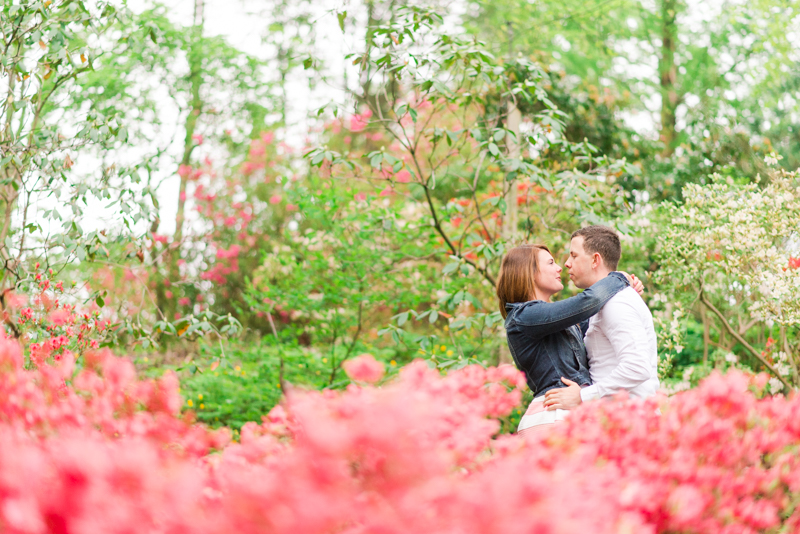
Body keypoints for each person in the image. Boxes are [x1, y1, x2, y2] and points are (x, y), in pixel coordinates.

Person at [497, 243, 643, 435]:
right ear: (529, 272)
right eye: (550, 263)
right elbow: (588, 302)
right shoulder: (524, 316)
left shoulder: (555, 322)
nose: (559, 267)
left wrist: (623, 291)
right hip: (552, 415)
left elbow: (595, 319)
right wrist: (618, 279)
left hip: (567, 413)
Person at [543, 226, 658, 411]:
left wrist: (582, 396)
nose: (566, 263)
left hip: (631, 421)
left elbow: (638, 367)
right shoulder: (605, 303)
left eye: (574, 255)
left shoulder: (617, 303)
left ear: (595, 260)